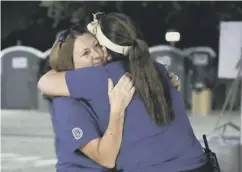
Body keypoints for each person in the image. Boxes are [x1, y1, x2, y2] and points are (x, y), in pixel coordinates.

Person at [38, 12, 211, 172]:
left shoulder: (98, 76)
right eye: (86, 53)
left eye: (97, 45)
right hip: (199, 163)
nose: (96, 55)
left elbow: (45, 82)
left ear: (105, 47)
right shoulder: (156, 69)